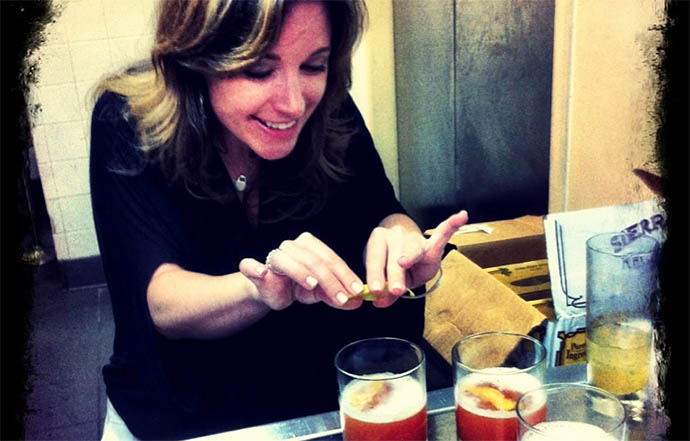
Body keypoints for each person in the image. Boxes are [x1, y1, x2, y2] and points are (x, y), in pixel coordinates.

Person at [90, 0, 468, 439]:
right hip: (187, 409)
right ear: (196, 60)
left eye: (313, 66)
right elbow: (162, 301)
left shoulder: (329, 109)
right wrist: (257, 288)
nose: (292, 104)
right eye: (258, 70)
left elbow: (382, 209)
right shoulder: (128, 120)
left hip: (310, 398)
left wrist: (400, 238)